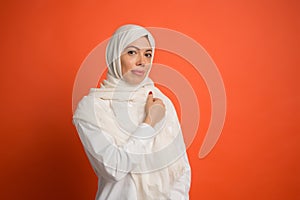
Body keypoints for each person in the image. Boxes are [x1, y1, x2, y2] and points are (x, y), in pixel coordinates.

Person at [72, 24, 191, 200]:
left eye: (148, 54)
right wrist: (149, 123)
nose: (142, 61)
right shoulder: (91, 109)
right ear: (114, 56)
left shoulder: (160, 101)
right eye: (132, 52)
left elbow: (181, 170)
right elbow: (114, 168)